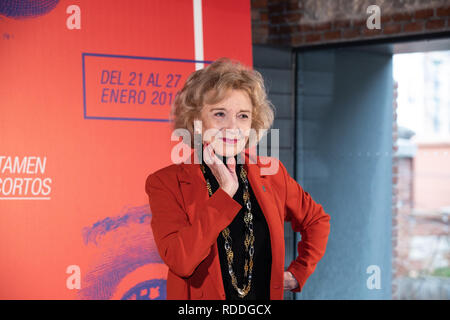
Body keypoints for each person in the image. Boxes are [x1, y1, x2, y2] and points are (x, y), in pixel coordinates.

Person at [145, 57, 331, 300]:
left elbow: (316, 220)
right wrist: (225, 193)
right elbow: (182, 261)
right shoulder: (166, 183)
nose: (232, 126)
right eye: (220, 114)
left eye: (243, 116)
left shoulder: (271, 173)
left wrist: (299, 272)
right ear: (196, 122)